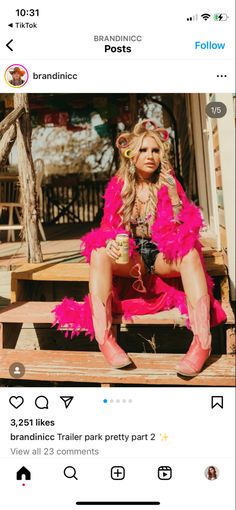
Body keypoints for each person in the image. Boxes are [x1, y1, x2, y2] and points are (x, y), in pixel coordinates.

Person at [53, 119, 226, 376]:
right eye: (143, 150)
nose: (150, 156)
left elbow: (187, 226)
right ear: (130, 154)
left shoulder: (170, 183)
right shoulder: (119, 186)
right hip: (132, 256)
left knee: (189, 253)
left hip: (162, 256)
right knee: (99, 252)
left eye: (155, 150)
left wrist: (176, 202)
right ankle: (106, 339)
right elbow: (107, 226)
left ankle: (202, 343)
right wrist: (110, 241)